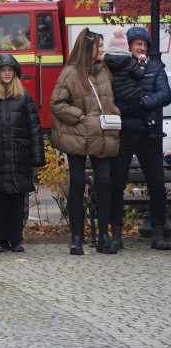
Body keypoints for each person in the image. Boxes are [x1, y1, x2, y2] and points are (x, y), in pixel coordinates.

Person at [50, 29, 119, 255]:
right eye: (99, 45)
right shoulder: (69, 73)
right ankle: (77, 238)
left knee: (104, 183)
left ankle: (104, 237)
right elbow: (57, 103)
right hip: (77, 135)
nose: (103, 49)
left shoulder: (104, 72)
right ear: (89, 49)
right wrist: (80, 117)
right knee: (78, 184)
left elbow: (110, 101)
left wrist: (114, 114)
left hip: (101, 136)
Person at [109, 26, 171, 250]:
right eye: (137, 44)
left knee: (156, 184)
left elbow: (165, 95)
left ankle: (158, 232)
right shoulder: (118, 68)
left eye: (144, 45)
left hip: (149, 133)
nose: (141, 47)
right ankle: (116, 234)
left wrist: (143, 103)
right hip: (124, 132)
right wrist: (128, 108)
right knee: (117, 184)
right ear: (129, 45)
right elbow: (112, 96)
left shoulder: (156, 68)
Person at [0, 53, 44, 253]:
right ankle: (2, 240)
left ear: (16, 73)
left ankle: (17, 239)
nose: (7, 73)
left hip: (19, 155)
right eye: (3, 70)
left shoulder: (24, 96)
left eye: (10, 70)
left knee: (18, 200)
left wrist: (36, 157)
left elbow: (35, 128)